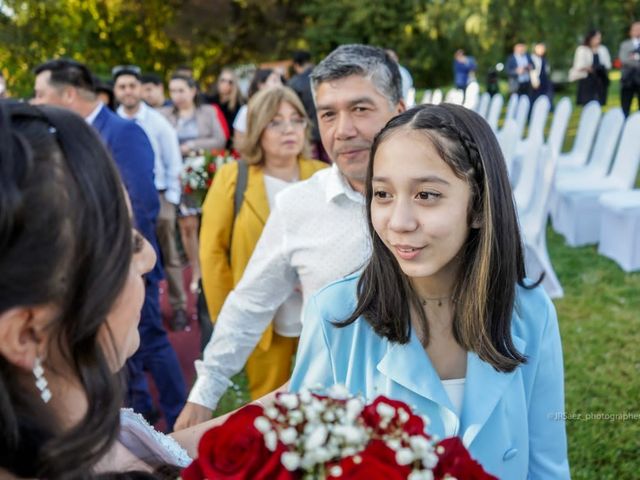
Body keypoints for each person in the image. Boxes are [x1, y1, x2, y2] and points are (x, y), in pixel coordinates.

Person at [290, 103, 570, 479]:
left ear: (479, 207)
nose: (400, 222)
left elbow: (547, 465)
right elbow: (308, 462)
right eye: (383, 195)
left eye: (426, 195)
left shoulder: (531, 313)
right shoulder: (335, 314)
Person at [174, 44, 405, 430]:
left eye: (360, 109)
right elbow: (250, 303)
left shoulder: (445, 195)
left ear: (399, 112)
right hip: (339, 423)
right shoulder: (298, 205)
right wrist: (204, 394)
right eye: (328, 114)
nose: (343, 130)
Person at [32, 58, 187, 430]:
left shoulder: (121, 131)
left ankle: (180, 417)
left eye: (41, 94)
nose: (35, 102)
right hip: (96, 267)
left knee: (150, 340)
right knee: (120, 355)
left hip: (131, 263)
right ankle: (141, 422)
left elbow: (144, 205)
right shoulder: (68, 135)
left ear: (67, 94)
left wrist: (121, 259)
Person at [199, 85, 327, 396]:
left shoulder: (323, 175)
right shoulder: (233, 177)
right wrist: (229, 328)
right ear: (257, 129)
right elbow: (213, 254)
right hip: (264, 321)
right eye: (275, 122)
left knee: (327, 399)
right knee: (270, 406)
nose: (289, 130)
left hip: (320, 317)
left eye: (296, 120)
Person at [113, 66, 187, 332]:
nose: (128, 91)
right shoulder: (114, 123)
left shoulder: (156, 120)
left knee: (169, 254)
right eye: (122, 87)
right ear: (116, 91)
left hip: (160, 195)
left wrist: (172, 198)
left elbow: (172, 157)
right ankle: (140, 311)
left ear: (140, 89)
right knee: (135, 256)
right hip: (128, 200)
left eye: (132, 86)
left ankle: (179, 306)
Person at [161, 74, 226, 294]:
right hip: (179, 177)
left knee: (210, 223)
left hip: (204, 173)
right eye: (173, 91)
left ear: (192, 91)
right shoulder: (164, 114)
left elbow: (219, 139)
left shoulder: (207, 112)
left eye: (181, 90)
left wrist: (192, 146)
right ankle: (196, 270)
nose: (177, 96)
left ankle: (212, 266)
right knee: (187, 226)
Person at [232, 68, 282, 148]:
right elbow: (239, 141)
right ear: (261, 85)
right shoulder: (247, 110)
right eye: (275, 81)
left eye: (280, 81)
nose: (280, 85)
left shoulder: (283, 109)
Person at [288, 50, 324, 160]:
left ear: (296, 65)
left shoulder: (294, 83)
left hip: (308, 131)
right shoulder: (325, 77)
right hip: (327, 126)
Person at [569, 29, 611, 106]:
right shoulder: (582, 49)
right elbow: (578, 65)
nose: (598, 40)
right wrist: (591, 69)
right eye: (596, 38)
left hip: (600, 79)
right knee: (587, 103)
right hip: (587, 80)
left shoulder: (603, 49)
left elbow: (608, 64)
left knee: (599, 102)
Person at [205, 67, 244, 149]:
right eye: (223, 80)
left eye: (230, 82)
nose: (226, 84)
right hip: (212, 144)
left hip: (230, 146)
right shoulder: (209, 101)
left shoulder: (239, 104)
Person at [619, 21, 640, 116]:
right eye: (635, 29)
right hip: (628, 80)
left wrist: (633, 57)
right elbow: (624, 60)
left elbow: (629, 60)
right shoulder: (625, 45)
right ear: (630, 31)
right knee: (625, 107)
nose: (637, 31)